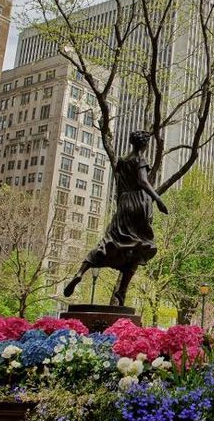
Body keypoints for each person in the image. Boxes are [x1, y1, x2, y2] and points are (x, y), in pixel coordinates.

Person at [63, 131, 168, 306]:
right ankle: (122, 290)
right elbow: (143, 181)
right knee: (140, 247)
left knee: (109, 240)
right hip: (138, 202)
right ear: (143, 144)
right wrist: (157, 199)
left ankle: (81, 272)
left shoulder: (122, 160)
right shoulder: (139, 159)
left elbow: (119, 185)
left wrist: (120, 206)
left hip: (124, 204)